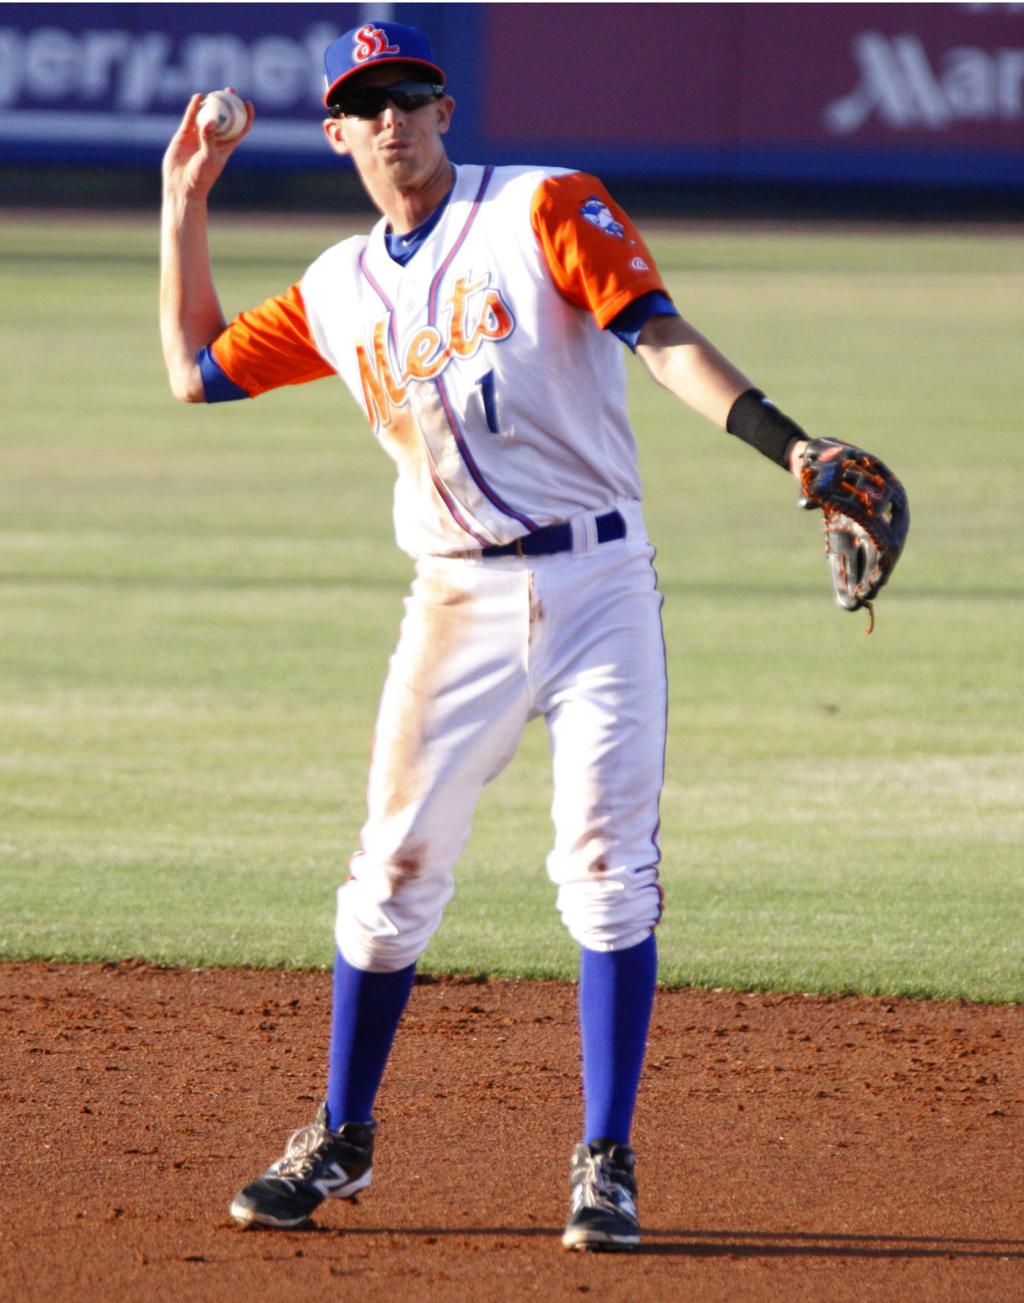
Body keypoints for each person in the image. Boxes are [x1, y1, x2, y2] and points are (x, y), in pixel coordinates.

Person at [160, 20, 811, 1252]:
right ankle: (340, 1134)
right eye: (368, 103)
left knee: (609, 872)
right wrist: (183, 200)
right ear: (340, 132)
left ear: (444, 108)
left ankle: (604, 1164)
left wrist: (789, 442)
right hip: (450, 600)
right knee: (391, 874)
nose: (392, 117)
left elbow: (658, 333)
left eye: (410, 93)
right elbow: (195, 369)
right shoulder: (340, 285)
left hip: (599, 585)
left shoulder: (542, 206)